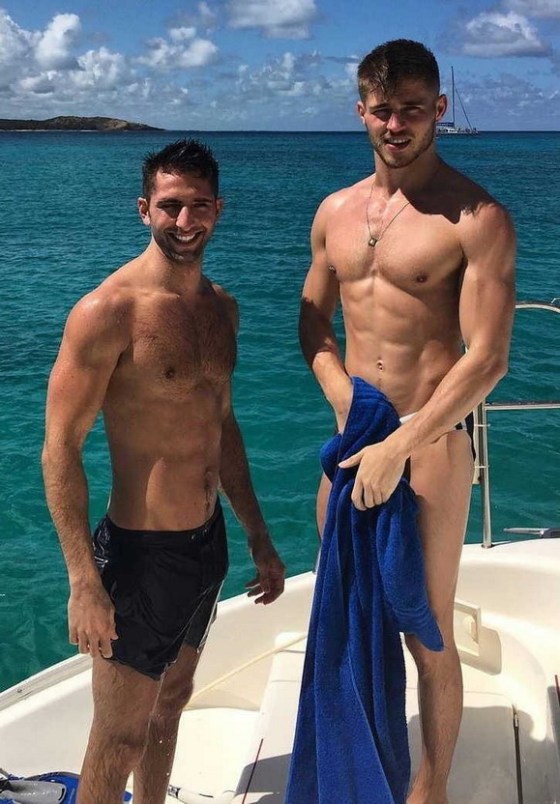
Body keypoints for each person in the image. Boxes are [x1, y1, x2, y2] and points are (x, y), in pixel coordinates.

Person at [298, 40, 515, 804]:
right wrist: (342, 399)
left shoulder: (476, 217)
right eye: (384, 110)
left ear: (439, 111)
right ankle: (360, 770)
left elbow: (488, 359)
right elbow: (313, 322)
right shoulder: (334, 212)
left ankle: (430, 788)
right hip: (356, 437)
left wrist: (399, 443)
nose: (397, 125)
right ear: (362, 111)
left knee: (427, 631)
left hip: (427, 441)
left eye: (413, 110)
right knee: (349, 614)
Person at [42, 138, 285, 804]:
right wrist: (83, 582)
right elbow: (60, 448)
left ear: (218, 210)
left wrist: (258, 536)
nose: (185, 221)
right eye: (170, 205)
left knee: (172, 703)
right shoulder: (107, 312)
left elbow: (222, 427)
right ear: (144, 208)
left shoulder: (221, 309)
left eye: (199, 206)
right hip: (140, 557)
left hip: (206, 546)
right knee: (117, 739)